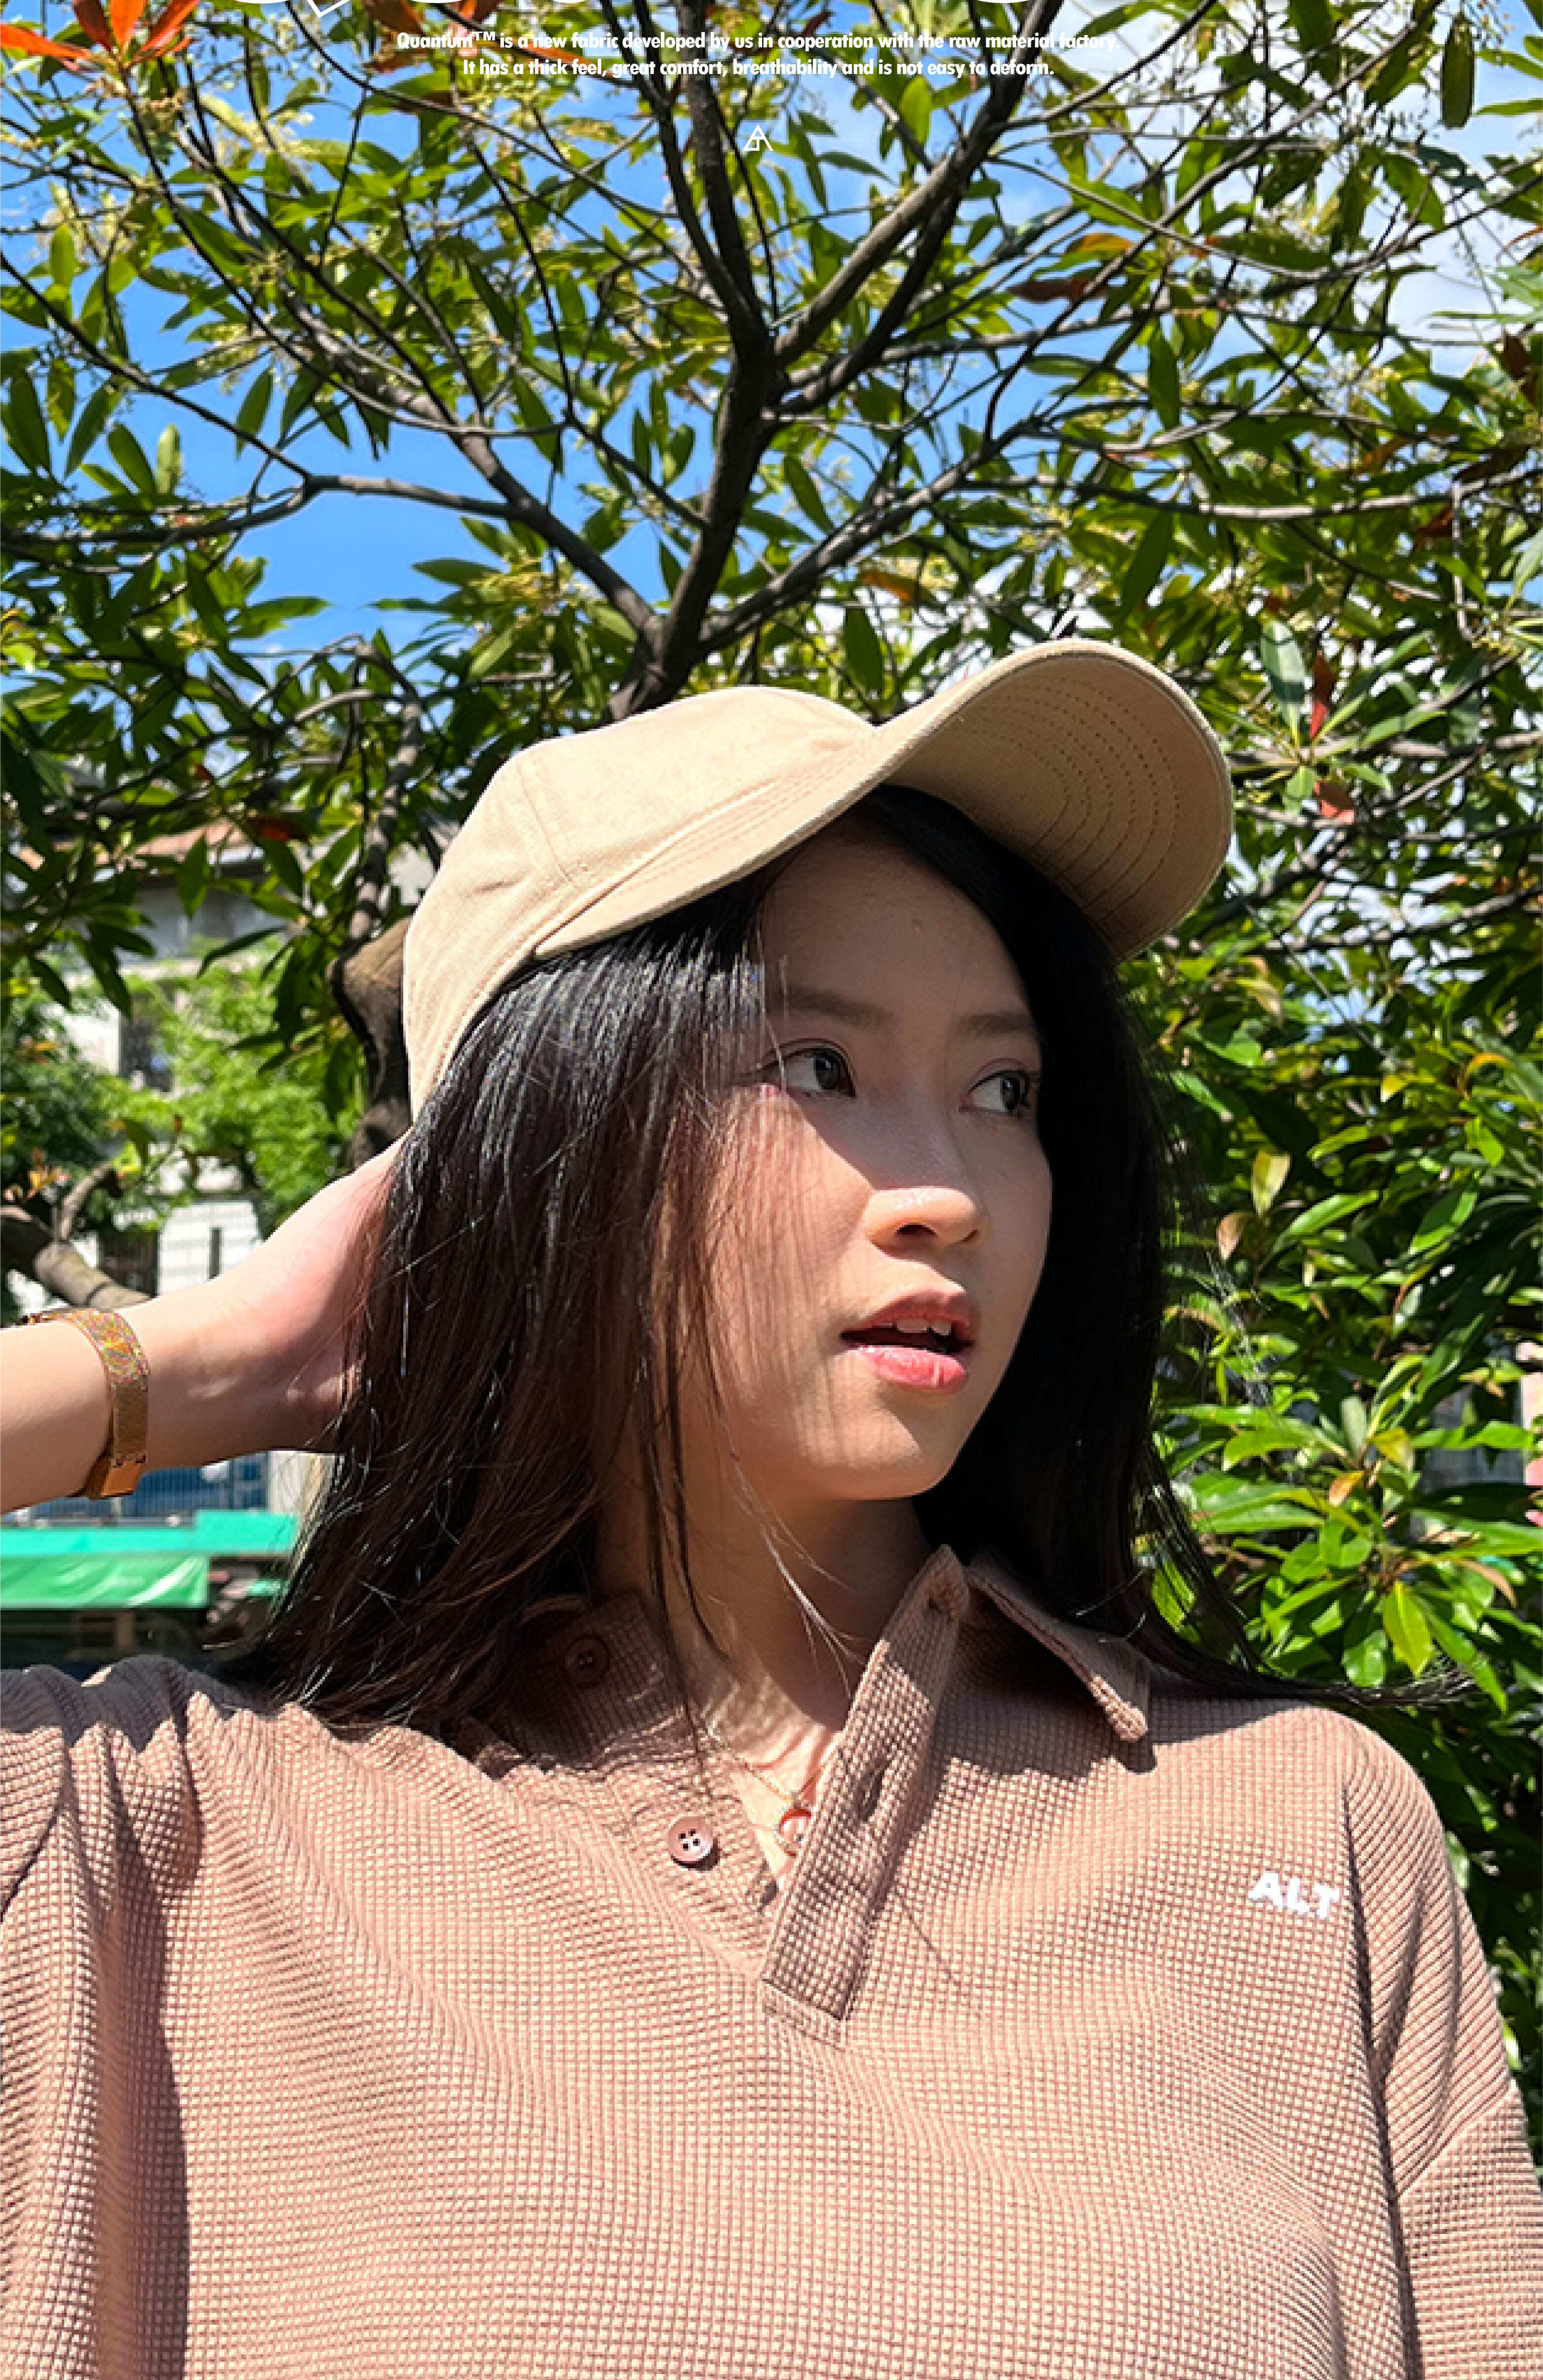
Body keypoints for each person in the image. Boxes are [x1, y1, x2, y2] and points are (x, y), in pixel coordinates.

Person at [2, 643, 1538, 2380]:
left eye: (1006, 1090)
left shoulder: (1304, 1829)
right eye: (817, 1064)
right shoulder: (160, 1834)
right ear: (550, 1141)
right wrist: (192, 1366)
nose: (950, 1193)